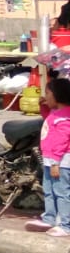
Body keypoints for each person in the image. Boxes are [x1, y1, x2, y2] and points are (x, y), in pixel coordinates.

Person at [27, 78, 70, 236]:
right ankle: (49, 218)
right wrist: (43, 106)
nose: (45, 96)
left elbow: (61, 141)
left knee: (61, 192)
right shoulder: (56, 113)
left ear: (57, 95)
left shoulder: (65, 117)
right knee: (49, 190)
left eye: (47, 93)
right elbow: (47, 119)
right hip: (50, 160)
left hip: (61, 162)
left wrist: (55, 163)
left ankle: (66, 225)